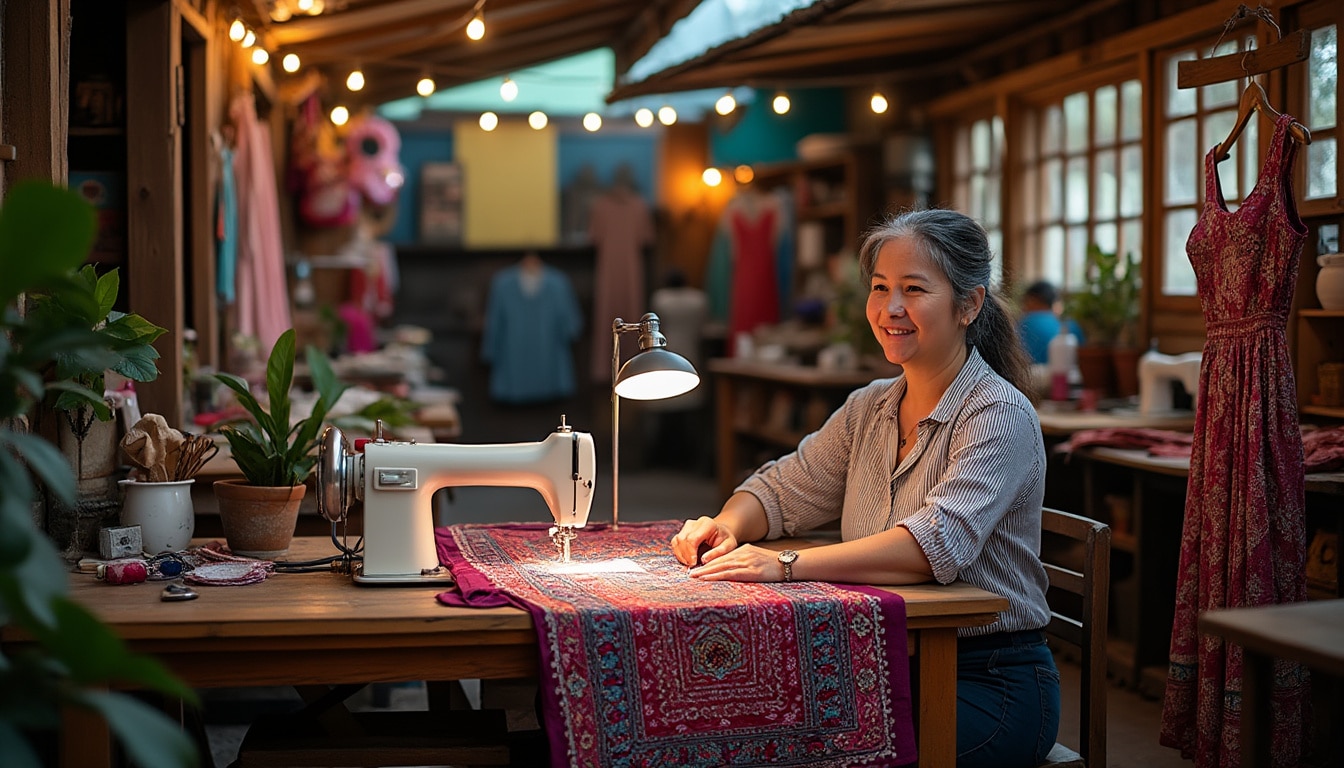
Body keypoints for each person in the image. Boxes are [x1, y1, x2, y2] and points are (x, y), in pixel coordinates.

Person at [670, 208, 1059, 768]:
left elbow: (933, 546)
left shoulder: (999, 413)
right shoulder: (871, 407)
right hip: (883, 666)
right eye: (881, 288)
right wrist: (725, 527)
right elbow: (780, 489)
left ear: (970, 305)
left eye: (913, 289)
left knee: (806, 752)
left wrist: (783, 565)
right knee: (733, 721)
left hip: (987, 682)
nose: (891, 308)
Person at [1017, 279, 1083, 364]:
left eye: (1025, 301)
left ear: (1032, 300)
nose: (1023, 307)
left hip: (1032, 374)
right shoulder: (1072, 325)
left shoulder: (1026, 323)